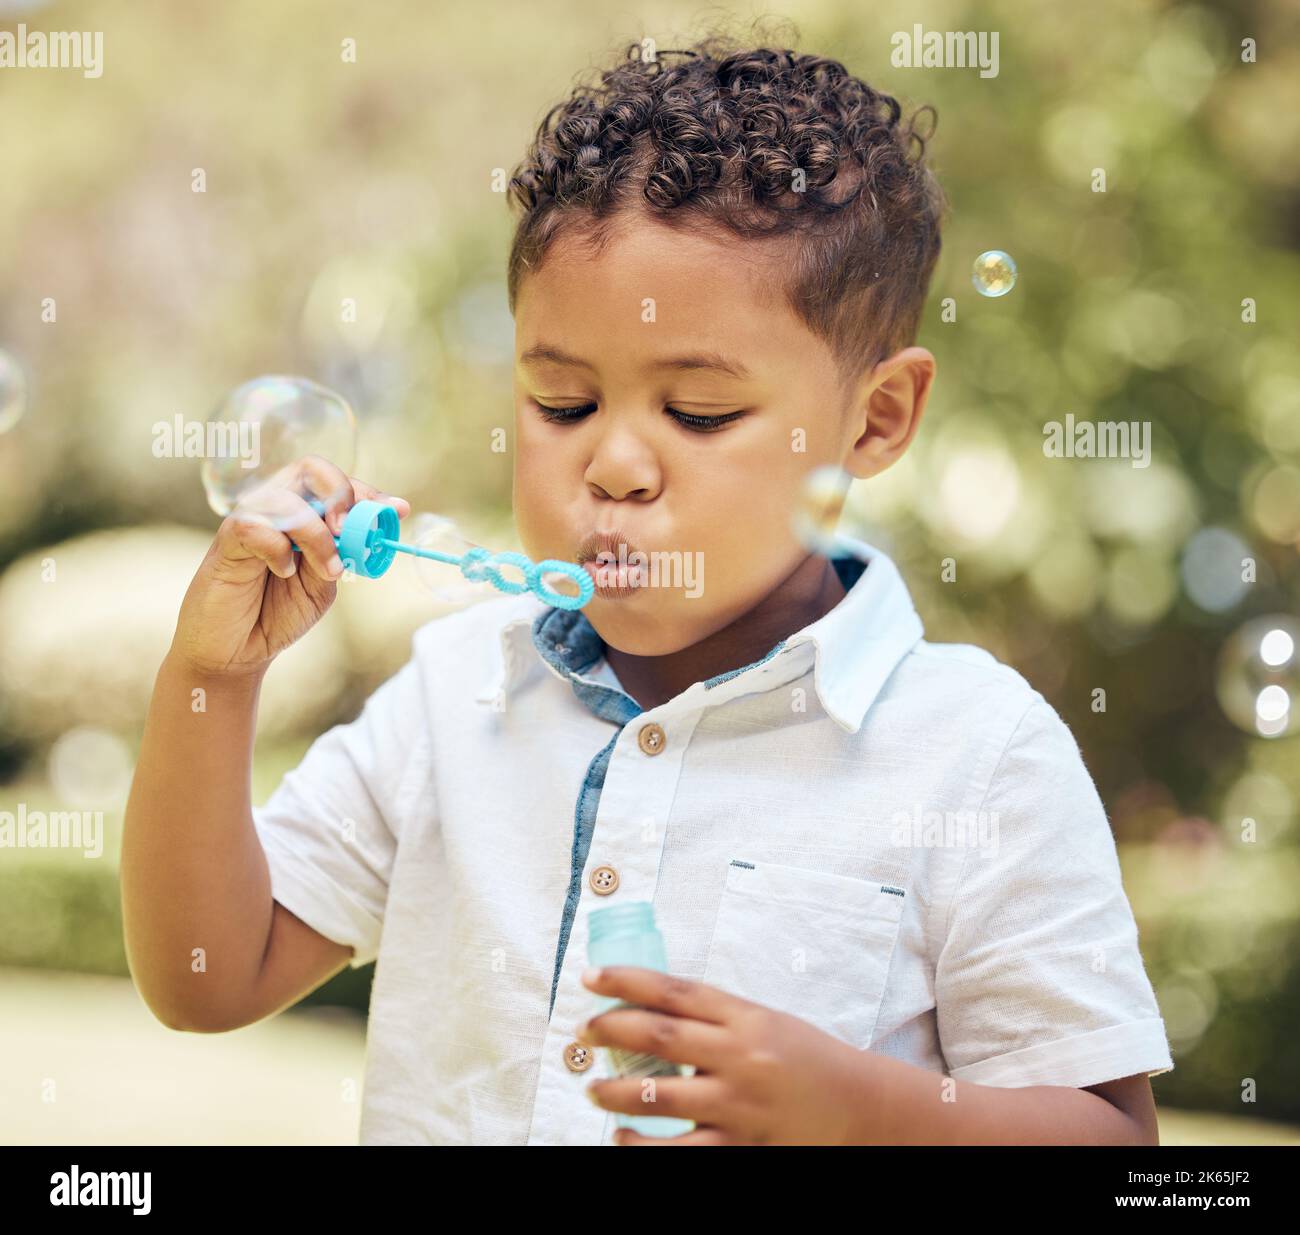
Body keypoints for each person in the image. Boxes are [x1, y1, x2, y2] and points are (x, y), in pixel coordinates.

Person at [122, 33, 1173, 1145]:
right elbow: (205, 975)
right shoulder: (453, 694)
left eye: (700, 413)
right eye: (562, 402)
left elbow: (1115, 1143)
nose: (612, 464)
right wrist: (210, 679)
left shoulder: (974, 751)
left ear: (874, 420)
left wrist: (863, 1110)